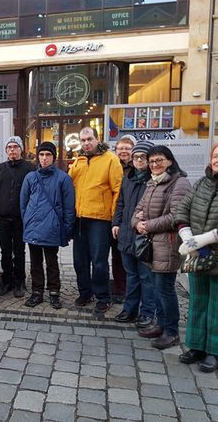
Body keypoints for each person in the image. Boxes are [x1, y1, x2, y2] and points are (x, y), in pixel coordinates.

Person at [175, 140, 218, 372]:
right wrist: (186, 234)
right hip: (196, 253)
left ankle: (215, 352)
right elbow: (183, 208)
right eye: (215, 155)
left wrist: (204, 238)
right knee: (198, 301)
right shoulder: (203, 182)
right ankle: (196, 346)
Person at [132, 145, 190, 349]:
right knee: (157, 288)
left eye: (159, 161)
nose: (154, 165)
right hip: (153, 244)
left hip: (168, 244)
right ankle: (161, 324)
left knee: (165, 289)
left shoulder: (179, 183)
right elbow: (138, 209)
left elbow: (175, 216)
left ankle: (172, 332)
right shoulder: (152, 183)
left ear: (170, 161)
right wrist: (136, 223)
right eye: (152, 161)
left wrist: (146, 224)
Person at [69, 127, 123, 314]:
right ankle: (85, 293)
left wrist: (115, 218)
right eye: (83, 140)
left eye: (89, 139)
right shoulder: (79, 160)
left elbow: (118, 190)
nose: (86, 143)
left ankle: (102, 297)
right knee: (79, 261)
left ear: (97, 139)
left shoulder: (111, 159)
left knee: (99, 261)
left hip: (100, 219)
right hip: (80, 218)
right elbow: (71, 185)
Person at [20, 142, 75, 309]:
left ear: (54, 157)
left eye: (48, 155)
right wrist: (28, 221)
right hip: (33, 227)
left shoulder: (63, 178)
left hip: (52, 227)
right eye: (41, 154)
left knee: (52, 261)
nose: (44, 158)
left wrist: (67, 228)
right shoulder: (30, 177)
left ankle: (54, 292)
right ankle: (37, 292)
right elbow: (23, 203)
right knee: (35, 262)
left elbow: (69, 206)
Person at [111, 140, 155, 328]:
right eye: (136, 157)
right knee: (131, 274)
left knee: (145, 276)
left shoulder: (154, 181)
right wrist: (116, 222)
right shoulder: (128, 178)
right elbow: (121, 202)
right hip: (126, 233)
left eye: (142, 157)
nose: (138, 160)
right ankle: (130, 309)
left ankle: (147, 312)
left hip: (145, 235)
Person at [0, 136, 35, 298]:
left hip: (22, 218)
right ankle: (7, 280)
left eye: (15, 147)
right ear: (6, 150)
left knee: (19, 251)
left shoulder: (30, 169)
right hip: (3, 218)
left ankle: (19, 281)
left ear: (21, 149)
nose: (12, 149)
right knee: (5, 251)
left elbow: (35, 194)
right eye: (9, 147)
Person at [111, 136, 135, 302]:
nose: (124, 151)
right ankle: (120, 287)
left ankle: (129, 288)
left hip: (131, 219)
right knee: (116, 255)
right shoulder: (112, 166)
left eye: (127, 148)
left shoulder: (137, 169)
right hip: (112, 217)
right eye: (121, 148)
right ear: (116, 150)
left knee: (127, 255)